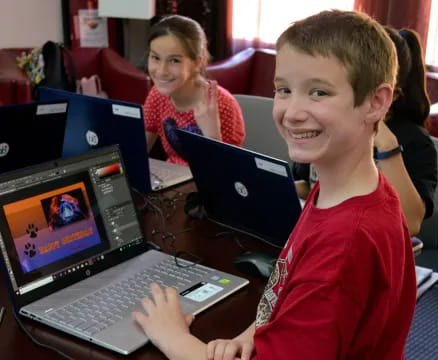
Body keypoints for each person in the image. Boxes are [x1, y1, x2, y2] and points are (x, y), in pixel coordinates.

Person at [132, 10, 417, 360]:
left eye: (318, 92)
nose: (292, 111)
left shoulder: (345, 245)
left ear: (375, 103)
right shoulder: (346, 189)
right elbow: (289, 284)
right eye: (283, 90)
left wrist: (173, 337)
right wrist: (258, 331)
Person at [293, 26, 437, 236]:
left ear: (387, 96)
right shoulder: (326, 123)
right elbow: (310, 185)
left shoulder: (415, 142)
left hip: (366, 244)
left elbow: (410, 223)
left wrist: (386, 145)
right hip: (319, 234)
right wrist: (275, 188)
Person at [143, 14, 245, 165]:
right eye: (155, 58)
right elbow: (137, 152)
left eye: (174, 60)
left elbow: (227, 176)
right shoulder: (157, 95)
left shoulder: (222, 105)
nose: (161, 71)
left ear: (197, 63)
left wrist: (212, 135)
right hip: (172, 181)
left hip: (209, 185)